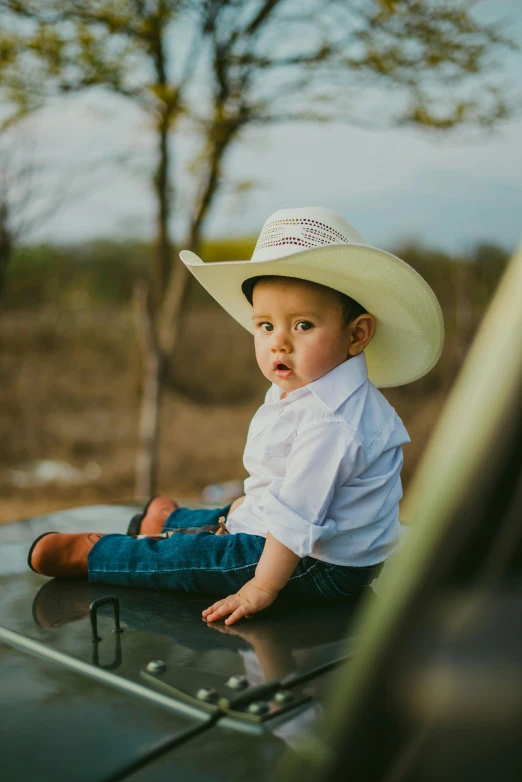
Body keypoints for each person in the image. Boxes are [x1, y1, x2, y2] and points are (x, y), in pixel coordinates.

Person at [27, 206, 444, 626]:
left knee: (201, 559)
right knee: (236, 511)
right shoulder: (308, 390)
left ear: (356, 334)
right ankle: (170, 519)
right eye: (265, 326)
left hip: (321, 565)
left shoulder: (332, 422)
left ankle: (95, 554)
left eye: (302, 325)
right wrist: (252, 503)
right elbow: (286, 491)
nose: (279, 343)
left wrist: (261, 587)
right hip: (307, 536)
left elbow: (295, 520)